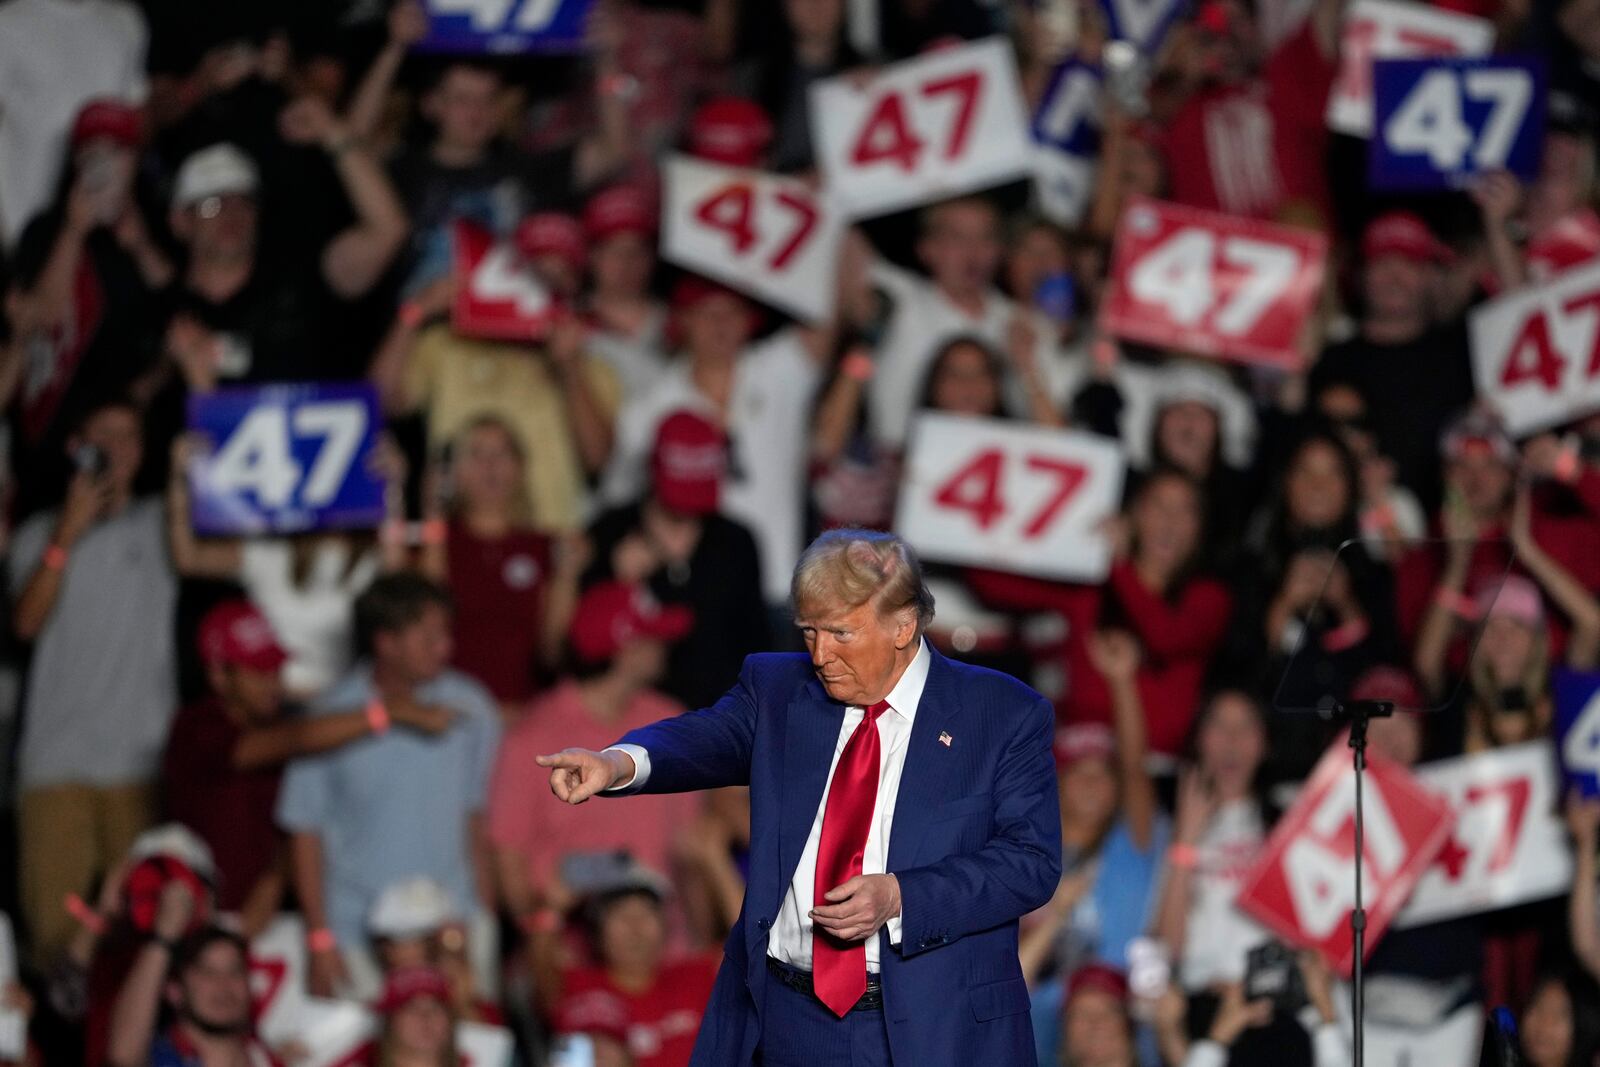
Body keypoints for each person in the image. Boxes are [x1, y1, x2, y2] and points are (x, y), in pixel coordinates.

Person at [534, 529, 1061, 1066]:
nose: (820, 654)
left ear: (903, 625)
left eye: (840, 633)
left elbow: (1030, 863)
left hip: (932, 1026)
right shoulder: (781, 689)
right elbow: (704, 737)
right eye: (808, 631)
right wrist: (618, 761)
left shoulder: (1001, 715)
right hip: (787, 1020)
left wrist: (902, 895)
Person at [275, 573, 501, 1001]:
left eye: (445, 634)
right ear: (386, 642)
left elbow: (475, 818)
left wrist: (484, 919)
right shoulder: (329, 718)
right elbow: (305, 833)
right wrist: (320, 938)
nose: (445, 648)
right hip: (357, 932)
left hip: (450, 928)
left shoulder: (472, 708)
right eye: (428, 636)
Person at [161, 599, 451, 928]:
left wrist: (274, 879)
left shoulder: (282, 720)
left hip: (277, 916)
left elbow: (299, 821)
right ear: (219, 675)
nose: (273, 682)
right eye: (258, 673)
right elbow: (291, 741)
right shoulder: (196, 728)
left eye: (276, 669)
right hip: (204, 919)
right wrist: (388, 712)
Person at [9, 397, 175, 968]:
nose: (119, 448)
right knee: (58, 949)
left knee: (140, 946)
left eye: (130, 436)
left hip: (140, 768)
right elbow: (25, 624)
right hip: (56, 769)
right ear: (77, 446)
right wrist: (68, 530)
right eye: (106, 435)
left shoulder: (161, 523)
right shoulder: (39, 531)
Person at [599, 278, 825, 615]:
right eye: (707, 314)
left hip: (777, 592)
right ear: (684, 320)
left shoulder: (779, 370)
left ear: (749, 319)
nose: (720, 326)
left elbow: (832, 307)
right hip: (686, 595)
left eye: (732, 312)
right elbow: (618, 496)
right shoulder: (649, 407)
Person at [488, 580, 696, 930]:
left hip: (663, 953)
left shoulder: (670, 722)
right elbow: (508, 858)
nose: (664, 646)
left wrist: (700, 944)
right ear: (624, 649)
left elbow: (688, 848)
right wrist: (540, 936)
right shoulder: (535, 737)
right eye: (651, 637)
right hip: (573, 954)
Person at [583, 410, 770, 709]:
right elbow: (578, 655)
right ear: (653, 472)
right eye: (680, 493)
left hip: (718, 723)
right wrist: (621, 586)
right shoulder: (610, 533)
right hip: (631, 725)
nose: (686, 513)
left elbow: (757, 647)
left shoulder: (734, 541)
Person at [415, 416, 570, 707]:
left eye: (501, 454)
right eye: (476, 454)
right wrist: (432, 514)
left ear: (520, 467)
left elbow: (553, 650)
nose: (490, 466)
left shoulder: (544, 546)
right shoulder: (438, 539)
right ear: (454, 472)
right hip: (450, 710)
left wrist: (567, 576)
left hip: (526, 713)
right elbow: (429, 613)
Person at [0, 0, 147, 251]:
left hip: (102, 227)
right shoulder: (10, 22)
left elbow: (132, 123)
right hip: (22, 224)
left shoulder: (125, 20)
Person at [548, 858, 719, 1067]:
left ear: (666, 927)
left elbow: (757, 943)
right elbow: (540, 967)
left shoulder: (697, 975)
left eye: (647, 913)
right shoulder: (577, 986)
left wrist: (713, 857)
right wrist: (551, 908)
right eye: (620, 915)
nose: (635, 927)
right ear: (597, 931)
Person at [105, 915, 274, 1067]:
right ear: (175, 991)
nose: (224, 984)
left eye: (235, 971)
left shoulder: (268, 1059)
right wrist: (163, 937)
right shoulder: (161, 1058)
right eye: (207, 972)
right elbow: (123, 1055)